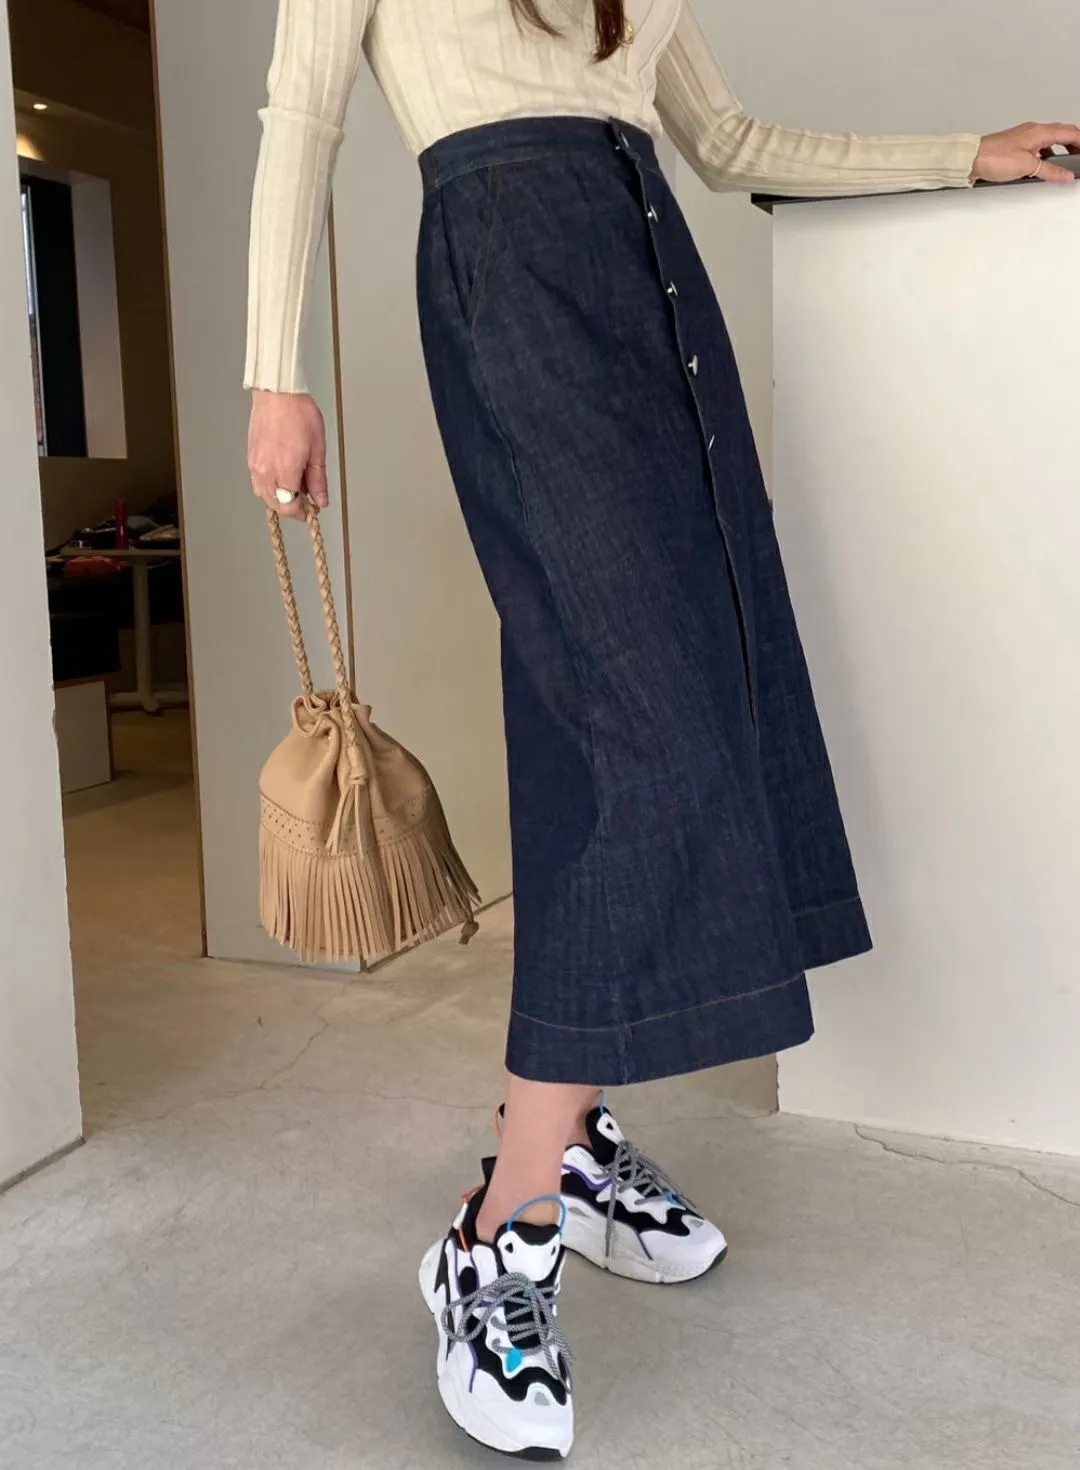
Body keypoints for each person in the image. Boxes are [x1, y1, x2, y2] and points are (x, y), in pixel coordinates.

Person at [245, 1, 1078, 1458]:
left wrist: (967, 152)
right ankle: (499, 1230)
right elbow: (302, 110)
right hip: (511, 278)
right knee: (637, 730)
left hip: (656, 282)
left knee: (715, 688)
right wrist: (275, 372)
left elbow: (726, 139)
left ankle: (565, 1145)